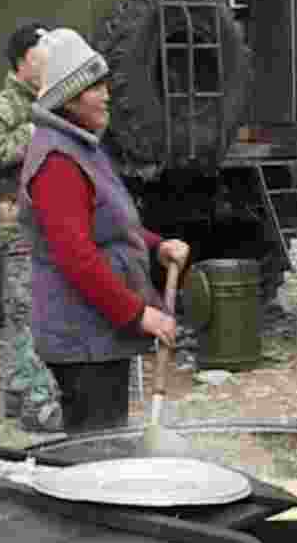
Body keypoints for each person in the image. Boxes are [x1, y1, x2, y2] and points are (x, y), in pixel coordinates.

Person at [18, 28, 189, 434]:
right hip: (81, 337)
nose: (107, 95)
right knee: (96, 449)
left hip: (96, 332)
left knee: (105, 443)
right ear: (70, 98)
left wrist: (156, 246)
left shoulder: (81, 147)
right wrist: (138, 313)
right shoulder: (57, 161)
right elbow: (77, 258)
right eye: (95, 87)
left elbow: (108, 223)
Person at [0, 22, 62, 433]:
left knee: (19, 310)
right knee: (29, 310)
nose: (48, 63)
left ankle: (15, 391)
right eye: (41, 56)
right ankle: (37, 403)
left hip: (36, 216)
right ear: (23, 62)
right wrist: (32, 130)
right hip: (14, 218)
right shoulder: (6, 104)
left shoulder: (48, 98)